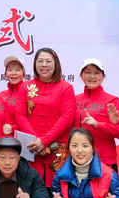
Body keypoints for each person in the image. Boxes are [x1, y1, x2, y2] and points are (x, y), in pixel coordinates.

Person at [15, 48, 77, 187]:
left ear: (56, 64)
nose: (44, 65)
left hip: (56, 148)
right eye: (40, 61)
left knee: (57, 191)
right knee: (30, 189)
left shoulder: (66, 88)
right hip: (31, 148)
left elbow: (66, 117)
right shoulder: (26, 86)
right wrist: (36, 141)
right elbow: (20, 115)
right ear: (35, 64)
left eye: (48, 61)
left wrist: (44, 141)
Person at [74, 58, 119, 171]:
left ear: (103, 77)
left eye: (97, 73)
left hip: (104, 163)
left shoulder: (112, 101)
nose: (92, 76)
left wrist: (98, 125)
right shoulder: (74, 99)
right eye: (88, 72)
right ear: (81, 76)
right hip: (77, 160)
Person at [0, 55, 26, 125]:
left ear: (23, 74)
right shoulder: (0, 96)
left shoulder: (29, 94)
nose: (13, 73)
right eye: (10, 70)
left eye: (17, 70)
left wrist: (13, 128)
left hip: (23, 132)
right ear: (5, 74)